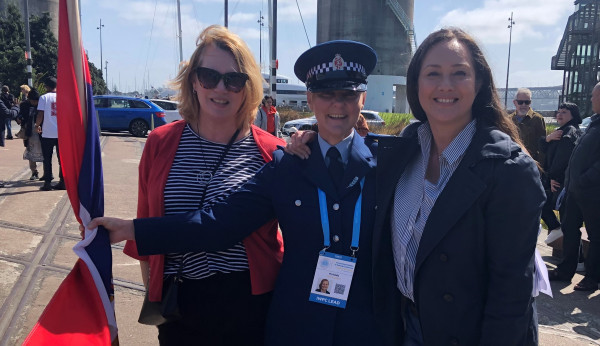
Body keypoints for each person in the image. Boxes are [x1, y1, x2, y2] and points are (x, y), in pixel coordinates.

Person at [88, 40, 403, 346]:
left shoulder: (392, 163)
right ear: (310, 98)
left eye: (348, 93)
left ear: (362, 98)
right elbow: (220, 223)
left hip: (366, 327)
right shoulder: (287, 166)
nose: (337, 104)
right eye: (325, 93)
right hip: (298, 327)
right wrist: (132, 229)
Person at [104, 26, 283, 345]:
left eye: (234, 79)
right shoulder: (161, 142)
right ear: (193, 81)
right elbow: (148, 227)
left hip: (251, 305)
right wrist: (155, 295)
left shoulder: (270, 152)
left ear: (248, 87)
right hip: (180, 304)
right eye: (209, 76)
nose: (221, 88)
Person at [374, 28, 545, 345]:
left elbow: (511, 294)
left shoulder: (508, 169)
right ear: (417, 83)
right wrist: (313, 142)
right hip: (408, 325)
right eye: (433, 73)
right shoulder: (406, 148)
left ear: (479, 83)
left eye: (459, 73)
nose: (445, 85)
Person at [548, 82, 600, 292]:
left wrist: (585, 179)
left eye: (594, 95)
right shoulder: (595, 123)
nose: (591, 99)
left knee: (596, 235)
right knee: (569, 229)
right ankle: (565, 270)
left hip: (592, 192)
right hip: (574, 190)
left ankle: (592, 277)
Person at [539, 102, 582, 246]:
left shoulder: (569, 132)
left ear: (573, 115)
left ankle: (555, 227)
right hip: (564, 181)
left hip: (561, 182)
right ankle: (578, 260)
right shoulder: (562, 131)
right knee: (569, 224)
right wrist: (548, 138)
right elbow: (545, 149)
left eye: (564, 112)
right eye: (558, 112)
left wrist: (553, 177)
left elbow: (562, 158)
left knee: (541, 201)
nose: (559, 114)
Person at [35, 77, 65, 191]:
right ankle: (62, 181)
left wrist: (37, 125)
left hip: (47, 133)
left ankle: (47, 183)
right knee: (61, 159)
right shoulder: (63, 97)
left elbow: (40, 114)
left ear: (47, 86)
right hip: (61, 134)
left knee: (47, 158)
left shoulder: (44, 98)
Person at [510, 87, 546, 163]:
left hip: (531, 162)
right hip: (511, 162)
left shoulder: (538, 119)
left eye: (527, 102)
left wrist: (540, 166)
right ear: (514, 102)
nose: (524, 105)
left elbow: (542, 144)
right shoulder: (508, 120)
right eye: (520, 102)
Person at [17, 89, 43, 180]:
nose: (35, 103)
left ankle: (47, 172)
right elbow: (20, 115)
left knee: (45, 152)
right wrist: (19, 118)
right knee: (30, 151)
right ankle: (34, 172)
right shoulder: (24, 105)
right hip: (29, 132)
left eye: (36, 101)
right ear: (29, 99)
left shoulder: (42, 104)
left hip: (41, 132)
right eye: (33, 101)